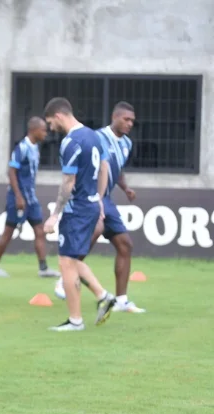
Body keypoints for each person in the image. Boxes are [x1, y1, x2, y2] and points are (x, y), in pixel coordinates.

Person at [41, 97, 117, 332]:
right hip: (92, 204)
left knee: (66, 263)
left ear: (59, 115)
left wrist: (55, 213)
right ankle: (103, 296)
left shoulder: (71, 142)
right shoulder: (94, 136)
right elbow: (104, 168)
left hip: (77, 208)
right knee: (73, 259)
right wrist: (101, 198)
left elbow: (68, 182)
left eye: (51, 122)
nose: (51, 128)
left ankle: (75, 321)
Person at [76, 101, 146, 313]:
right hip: (91, 196)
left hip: (108, 198)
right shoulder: (97, 138)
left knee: (125, 245)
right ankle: (67, 274)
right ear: (114, 117)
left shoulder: (127, 143)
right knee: (93, 234)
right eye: (126, 119)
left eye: (132, 120)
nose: (130, 124)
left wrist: (125, 188)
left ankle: (121, 300)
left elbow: (117, 169)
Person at [0, 117, 59, 278]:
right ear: (33, 130)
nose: (45, 133)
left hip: (31, 198)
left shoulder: (35, 148)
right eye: (43, 130)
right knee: (8, 232)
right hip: (18, 197)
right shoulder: (22, 148)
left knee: (39, 231)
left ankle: (43, 268)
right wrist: (19, 196)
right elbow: (11, 171)